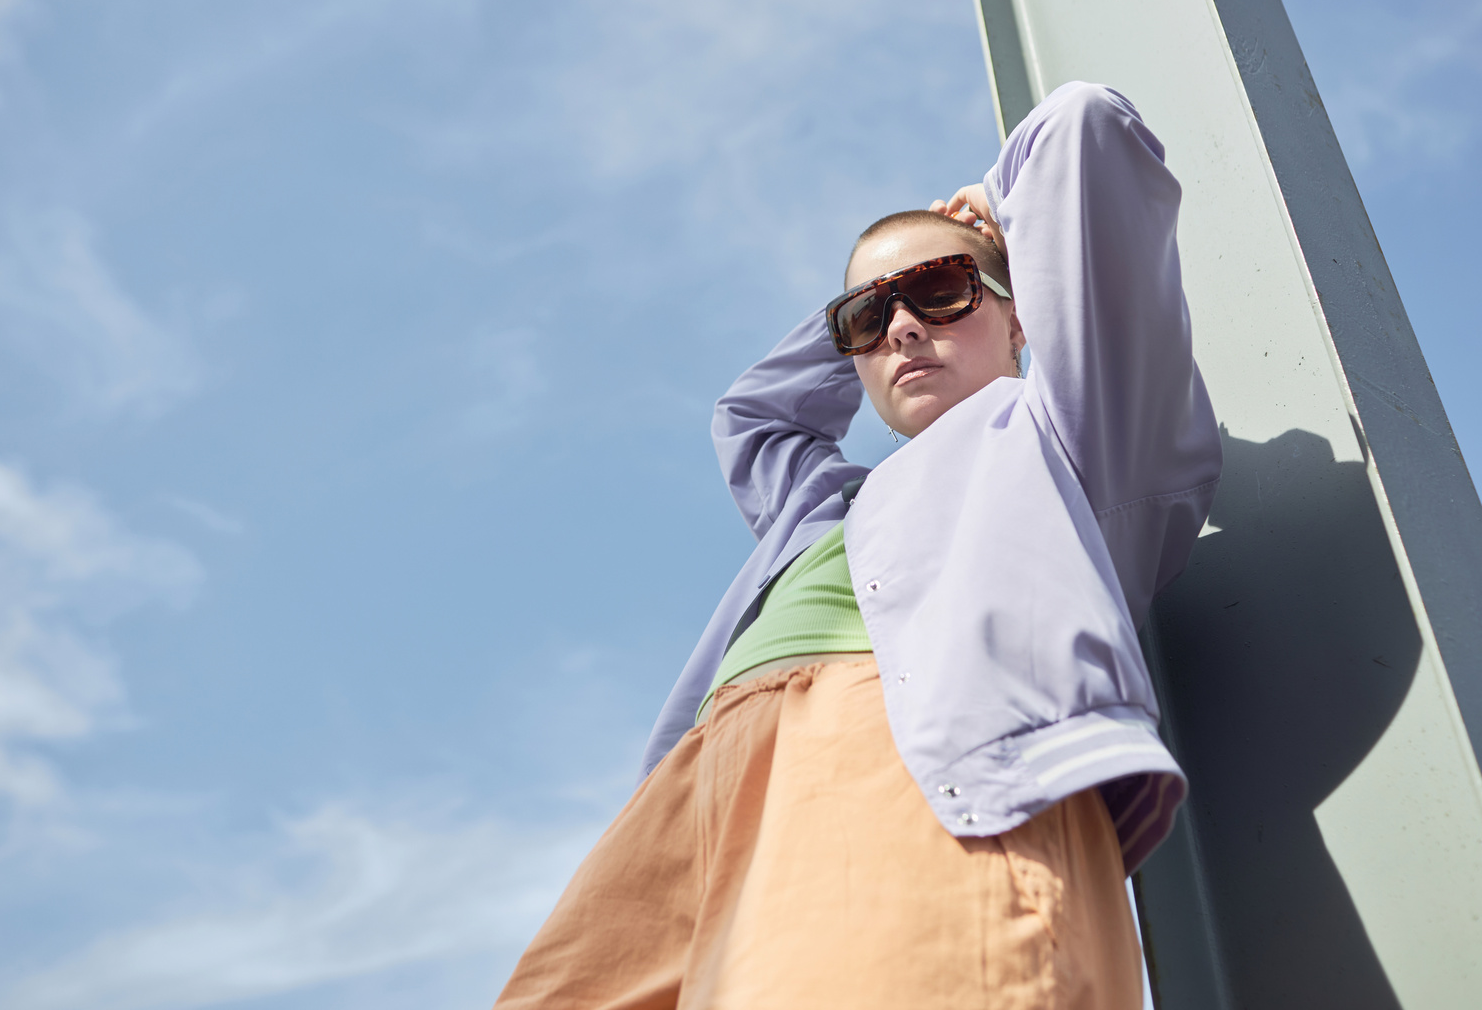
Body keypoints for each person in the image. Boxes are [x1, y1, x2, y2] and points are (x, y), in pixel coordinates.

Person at [494, 82, 1221, 1009]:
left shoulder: (1074, 438)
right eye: (870, 322)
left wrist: (988, 211)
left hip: (901, 755)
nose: (904, 329)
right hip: (698, 787)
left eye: (942, 290)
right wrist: (877, 287)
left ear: (1020, 315)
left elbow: (1086, 129)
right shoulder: (824, 505)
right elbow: (753, 414)